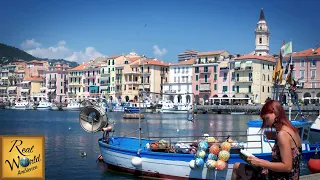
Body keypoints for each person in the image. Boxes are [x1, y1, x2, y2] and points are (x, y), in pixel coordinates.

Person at [232, 100, 302, 180]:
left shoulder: (282, 134)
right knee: (244, 170)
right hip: (290, 176)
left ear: (274, 113)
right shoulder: (292, 130)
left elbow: (287, 166)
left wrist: (260, 162)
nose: (267, 123)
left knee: (237, 167)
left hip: (280, 177)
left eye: (266, 118)